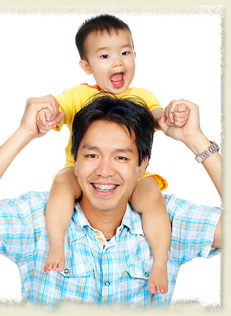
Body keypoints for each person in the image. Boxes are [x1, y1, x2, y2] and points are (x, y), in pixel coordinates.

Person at [0, 94, 221, 308]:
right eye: (92, 155)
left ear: (141, 167)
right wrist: (25, 133)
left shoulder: (165, 220)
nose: (104, 171)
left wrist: (195, 138)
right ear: (75, 160)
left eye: (121, 158)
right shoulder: (38, 218)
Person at [35, 14, 190, 295]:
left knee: (154, 200)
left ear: (135, 55)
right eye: (105, 55)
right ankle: (56, 245)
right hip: (81, 172)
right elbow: (58, 107)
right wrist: (49, 112)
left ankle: (160, 261)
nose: (118, 62)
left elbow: (157, 116)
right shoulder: (79, 95)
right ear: (86, 66)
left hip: (132, 174)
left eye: (125, 52)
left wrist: (170, 116)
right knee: (61, 185)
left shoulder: (141, 95)